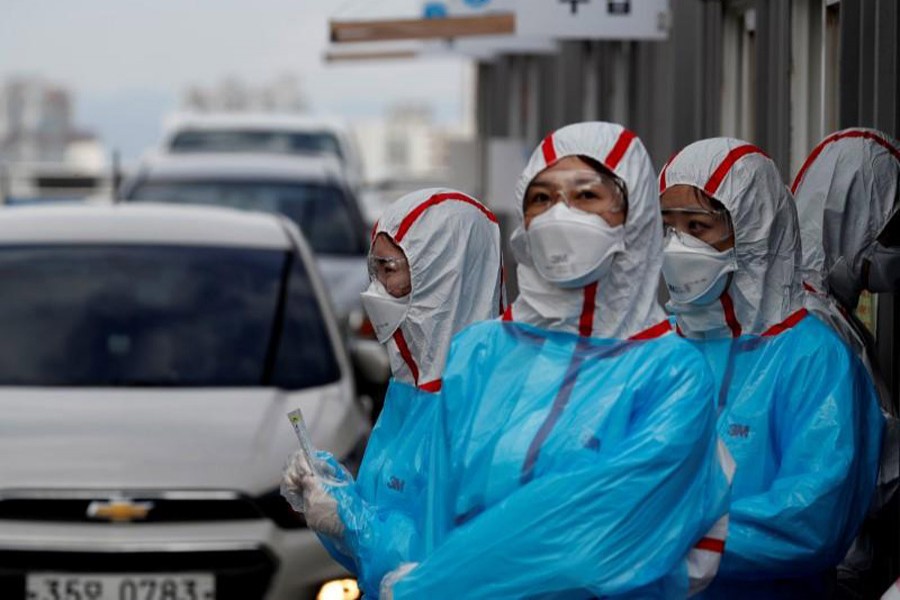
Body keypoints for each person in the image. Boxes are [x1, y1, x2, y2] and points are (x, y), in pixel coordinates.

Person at [382, 122, 732, 599]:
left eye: (586, 196)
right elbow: (436, 515)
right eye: (541, 198)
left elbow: (591, 546)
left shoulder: (671, 373)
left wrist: (430, 586)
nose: (558, 215)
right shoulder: (480, 353)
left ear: (635, 217)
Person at [657, 137, 884, 598]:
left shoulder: (813, 358)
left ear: (754, 232)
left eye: (698, 227)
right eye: (669, 228)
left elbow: (810, 520)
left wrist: (676, 540)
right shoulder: (661, 348)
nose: (677, 246)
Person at [281, 188, 505, 598]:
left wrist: (351, 519)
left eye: (389, 270)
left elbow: (451, 562)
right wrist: (334, 497)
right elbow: (373, 557)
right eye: (374, 271)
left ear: (444, 271)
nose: (374, 290)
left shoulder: (489, 404)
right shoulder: (408, 393)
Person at [791, 127, 900, 597]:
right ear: (851, 218)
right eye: (889, 232)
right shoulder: (818, 326)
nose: (893, 251)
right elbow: (875, 470)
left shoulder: (821, 310)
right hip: (833, 574)